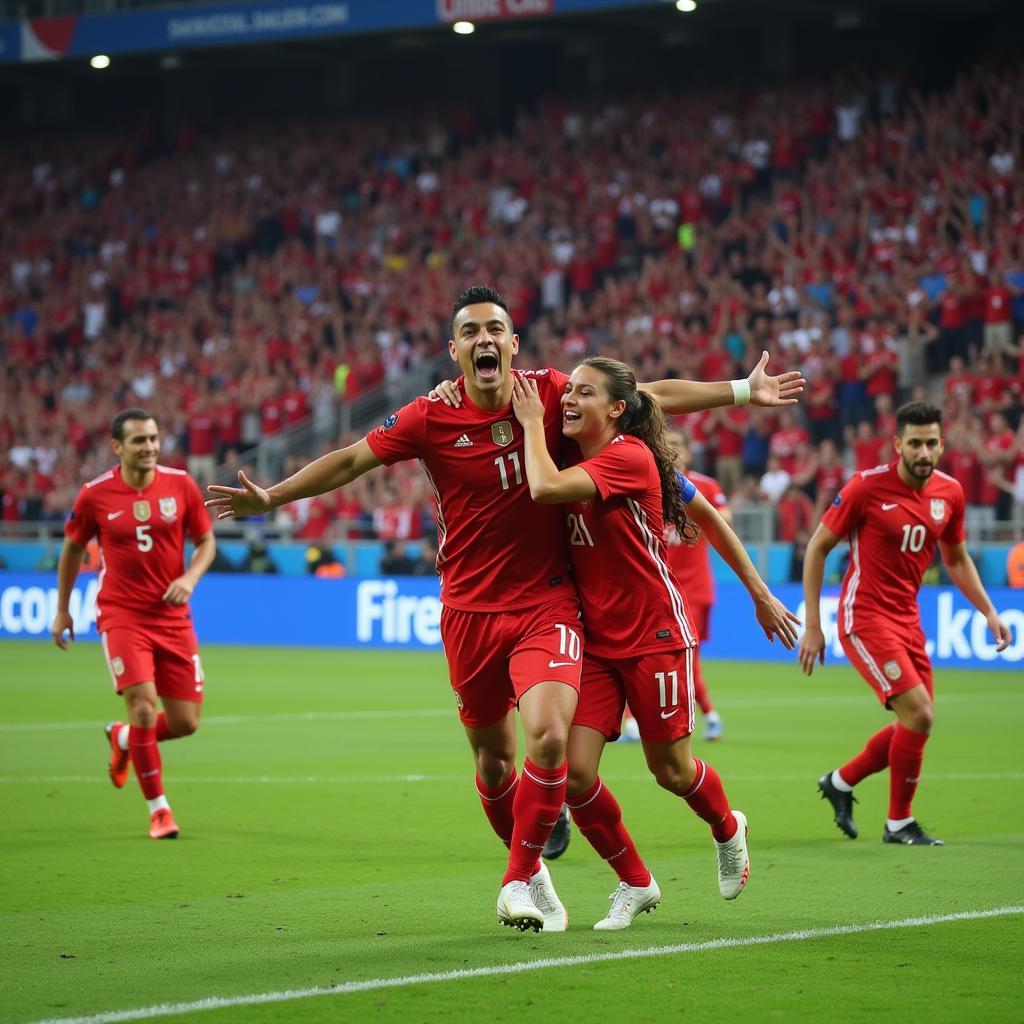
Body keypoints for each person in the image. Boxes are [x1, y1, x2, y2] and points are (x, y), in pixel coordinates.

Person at [207, 285, 804, 932]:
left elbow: (649, 396)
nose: (485, 339)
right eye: (471, 331)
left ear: (513, 343)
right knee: (500, 763)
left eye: (497, 328)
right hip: (469, 609)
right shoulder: (428, 416)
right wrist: (273, 498)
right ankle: (590, 879)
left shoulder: (551, 399)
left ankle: (521, 878)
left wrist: (742, 392)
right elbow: (351, 459)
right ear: (455, 349)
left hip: (554, 603)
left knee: (565, 742)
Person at [510, 359, 799, 929]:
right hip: (593, 640)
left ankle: (726, 828)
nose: (566, 400)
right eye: (566, 390)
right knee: (576, 775)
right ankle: (636, 882)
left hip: (655, 635)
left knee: (670, 770)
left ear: (615, 409)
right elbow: (653, 392)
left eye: (582, 392)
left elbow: (709, 518)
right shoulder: (569, 444)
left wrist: (760, 593)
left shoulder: (629, 457)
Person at [799, 401, 1012, 846]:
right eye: (914, 443)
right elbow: (817, 547)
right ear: (897, 445)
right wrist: (814, 625)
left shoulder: (950, 493)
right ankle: (899, 824)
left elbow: (955, 559)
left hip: (909, 622)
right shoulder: (865, 487)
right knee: (919, 713)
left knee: (916, 723)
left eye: (931, 443)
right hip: (864, 618)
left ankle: (840, 782)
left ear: (941, 444)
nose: (924, 452)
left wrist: (989, 611)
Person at [51, 408, 216, 840]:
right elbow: (71, 550)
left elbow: (205, 542)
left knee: (185, 723)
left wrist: (189, 577)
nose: (149, 447)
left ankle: (124, 740)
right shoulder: (94, 495)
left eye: (154, 439)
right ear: (117, 447)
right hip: (122, 615)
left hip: (173, 617)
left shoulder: (180, 485)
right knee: (144, 706)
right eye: (139, 440)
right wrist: (63, 608)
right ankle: (159, 810)